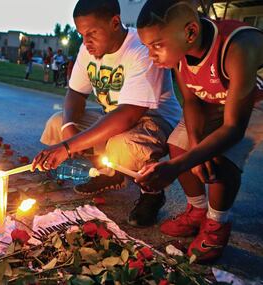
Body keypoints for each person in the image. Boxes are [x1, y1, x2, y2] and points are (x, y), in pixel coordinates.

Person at [32, 0, 182, 227]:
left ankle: (152, 193)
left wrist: (68, 146)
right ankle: (108, 172)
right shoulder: (87, 50)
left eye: (91, 33)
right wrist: (68, 129)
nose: (86, 42)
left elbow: (130, 114)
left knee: (121, 145)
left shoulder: (141, 48)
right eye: (81, 34)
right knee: (57, 123)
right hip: (113, 115)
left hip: (153, 119)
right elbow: (75, 92)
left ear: (115, 22)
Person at [135, 0, 263, 262]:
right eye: (147, 46)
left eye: (156, 45)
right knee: (179, 144)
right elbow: (192, 100)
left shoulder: (237, 46)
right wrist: (193, 147)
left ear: (190, 32)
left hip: (254, 99)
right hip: (216, 98)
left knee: (221, 155)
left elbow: (234, 128)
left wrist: (177, 167)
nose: (151, 55)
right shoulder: (180, 51)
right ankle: (197, 210)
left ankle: (217, 223)